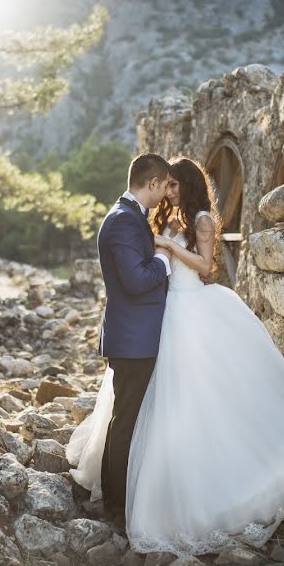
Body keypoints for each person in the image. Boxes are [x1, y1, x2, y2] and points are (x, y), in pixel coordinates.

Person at [67, 156, 284, 555]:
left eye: (173, 185)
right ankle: (136, 491)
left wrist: (166, 248)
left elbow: (205, 266)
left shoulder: (199, 218)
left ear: (184, 184)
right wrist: (164, 246)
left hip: (190, 311)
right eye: (164, 185)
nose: (168, 192)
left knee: (197, 397)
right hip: (162, 320)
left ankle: (197, 486)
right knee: (150, 407)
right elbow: (139, 273)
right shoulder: (153, 218)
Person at [75, 153, 173, 526]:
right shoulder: (125, 222)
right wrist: (164, 259)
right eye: (164, 186)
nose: (165, 194)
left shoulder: (129, 218)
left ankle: (118, 501)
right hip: (134, 340)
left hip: (134, 336)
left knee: (124, 421)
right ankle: (116, 507)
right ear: (152, 183)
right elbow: (134, 281)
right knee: (126, 423)